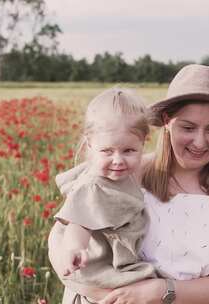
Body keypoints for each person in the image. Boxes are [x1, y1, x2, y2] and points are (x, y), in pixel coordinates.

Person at [49, 64, 209, 304]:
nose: (199, 142)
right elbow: (63, 237)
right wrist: (103, 292)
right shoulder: (122, 171)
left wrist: (160, 292)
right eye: (188, 127)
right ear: (167, 121)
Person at [48, 87, 156, 304]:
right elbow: (78, 224)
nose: (118, 160)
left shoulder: (121, 175)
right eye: (107, 151)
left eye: (129, 151)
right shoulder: (94, 187)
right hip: (100, 282)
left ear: (142, 143)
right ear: (90, 144)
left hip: (114, 274)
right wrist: (74, 249)